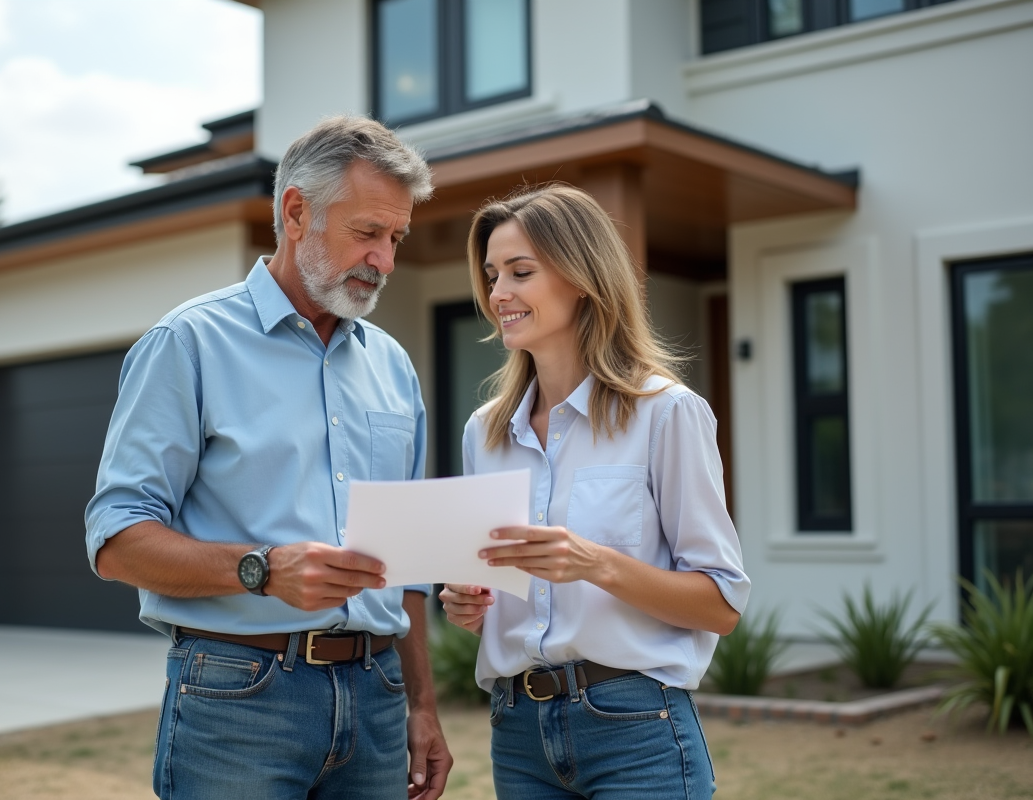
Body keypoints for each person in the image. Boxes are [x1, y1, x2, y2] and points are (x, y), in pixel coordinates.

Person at [85, 116, 451, 800]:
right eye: (368, 232)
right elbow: (115, 540)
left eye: (395, 238)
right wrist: (261, 570)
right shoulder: (188, 343)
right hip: (238, 700)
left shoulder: (394, 367)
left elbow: (411, 566)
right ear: (295, 212)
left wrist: (422, 704)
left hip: (377, 698)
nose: (386, 260)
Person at [440, 184, 750, 800]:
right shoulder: (486, 434)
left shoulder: (666, 414)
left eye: (520, 272)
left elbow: (721, 604)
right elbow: (504, 602)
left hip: (636, 729)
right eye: (492, 275)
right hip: (517, 732)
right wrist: (469, 606)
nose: (498, 294)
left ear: (581, 277)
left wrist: (594, 563)